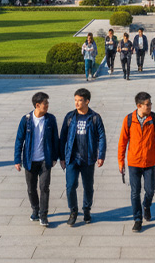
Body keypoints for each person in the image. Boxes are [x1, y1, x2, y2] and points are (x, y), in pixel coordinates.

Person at [117, 92, 155, 233]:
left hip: (149, 162)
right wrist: (121, 161)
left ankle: (146, 206)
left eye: (150, 104)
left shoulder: (154, 118)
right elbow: (122, 142)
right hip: (134, 162)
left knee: (150, 190)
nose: (150, 106)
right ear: (139, 106)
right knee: (135, 192)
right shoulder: (129, 119)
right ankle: (137, 220)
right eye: (147, 104)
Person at [59, 88, 106, 226]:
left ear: (87, 101)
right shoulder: (70, 117)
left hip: (88, 158)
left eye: (80, 100)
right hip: (72, 158)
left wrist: (101, 155)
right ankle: (73, 211)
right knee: (70, 186)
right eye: (75, 100)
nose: (77, 103)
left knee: (88, 187)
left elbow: (102, 137)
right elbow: (62, 138)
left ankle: (86, 209)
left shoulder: (95, 117)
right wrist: (62, 157)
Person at [14, 91, 60, 226]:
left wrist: (55, 157)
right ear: (37, 105)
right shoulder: (26, 120)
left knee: (44, 187)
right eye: (45, 103)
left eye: (47, 103)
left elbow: (55, 139)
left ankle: (43, 215)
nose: (47, 105)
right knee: (31, 188)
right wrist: (17, 160)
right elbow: (19, 140)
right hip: (30, 160)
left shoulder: (50, 119)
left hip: (45, 160)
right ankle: (35, 210)